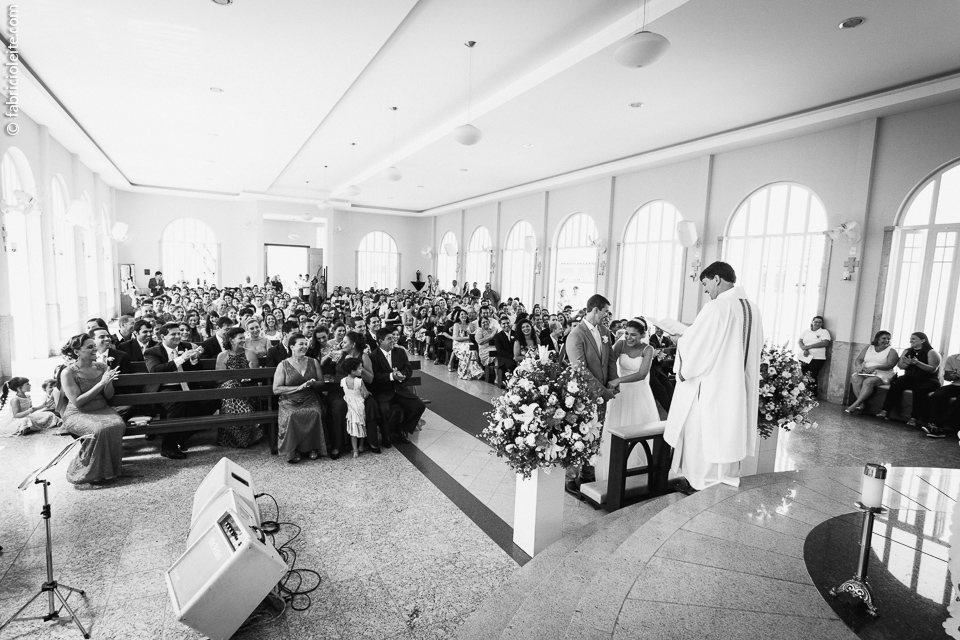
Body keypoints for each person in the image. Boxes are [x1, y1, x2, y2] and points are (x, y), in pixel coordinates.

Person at [663, 262, 764, 492]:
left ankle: (701, 481)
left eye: (706, 284)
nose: (706, 290)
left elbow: (698, 348)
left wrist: (680, 342)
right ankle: (725, 477)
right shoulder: (752, 308)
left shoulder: (717, 307)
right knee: (728, 430)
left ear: (717, 279)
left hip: (713, 386)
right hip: (738, 385)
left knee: (702, 432)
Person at [564, 294, 619, 493]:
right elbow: (580, 370)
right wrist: (602, 391)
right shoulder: (576, 335)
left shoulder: (604, 331)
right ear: (595, 310)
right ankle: (570, 477)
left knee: (596, 433)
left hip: (602, 393)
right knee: (580, 434)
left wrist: (614, 382)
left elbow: (610, 359)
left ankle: (588, 473)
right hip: (583, 395)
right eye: (605, 311)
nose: (607, 316)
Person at [596, 319, 660, 483]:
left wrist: (619, 380)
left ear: (642, 335)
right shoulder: (621, 344)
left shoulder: (648, 349)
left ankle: (638, 474)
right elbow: (609, 362)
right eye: (627, 333)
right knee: (617, 426)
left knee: (637, 428)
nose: (629, 337)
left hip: (639, 393)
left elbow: (642, 374)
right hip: (621, 394)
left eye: (633, 335)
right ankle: (614, 472)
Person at [58, 334, 127, 484]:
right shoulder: (68, 372)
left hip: (102, 409)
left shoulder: (103, 367)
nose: (95, 349)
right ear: (77, 352)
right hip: (79, 413)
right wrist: (101, 383)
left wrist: (108, 382)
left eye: (94, 346)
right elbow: (78, 402)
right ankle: (89, 471)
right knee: (99, 430)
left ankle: (108, 471)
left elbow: (109, 395)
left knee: (118, 425)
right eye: (90, 347)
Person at [144, 323, 217, 460]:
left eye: (179, 333)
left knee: (213, 399)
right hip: (164, 388)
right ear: (162, 336)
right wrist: (182, 358)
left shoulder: (187, 346)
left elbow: (197, 370)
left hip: (187, 386)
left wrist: (194, 361)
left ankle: (181, 437)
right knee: (178, 403)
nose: (178, 336)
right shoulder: (152, 352)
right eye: (174, 334)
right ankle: (168, 447)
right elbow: (155, 370)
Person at [273, 332, 327, 463]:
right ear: (292, 347)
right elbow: (276, 389)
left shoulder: (313, 362)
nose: (304, 347)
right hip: (289, 400)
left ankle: (313, 447)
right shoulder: (283, 365)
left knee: (315, 412)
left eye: (306, 344)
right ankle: (294, 449)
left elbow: (321, 383)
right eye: (301, 344)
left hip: (310, 398)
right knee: (292, 415)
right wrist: (298, 388)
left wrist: (314, 384)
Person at [367, 327, 425, 445]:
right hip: (383, 392)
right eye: (389, 339)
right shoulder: (373, 356)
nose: (393, 340)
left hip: (400, 390)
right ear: (380, 341)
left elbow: (407, 368)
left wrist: (402, 375)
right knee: (384, 410)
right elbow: (375, 377)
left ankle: (403, 429)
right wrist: (392, 376)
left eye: (393, 338)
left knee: (419, 406)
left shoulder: (400, 352)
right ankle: (385, 436)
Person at [878, 332, 941, 427]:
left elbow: (933, 369)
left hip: (929, 379)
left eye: (914, 339)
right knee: (896, 383)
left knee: (920, 389)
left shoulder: (931, 352)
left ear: (923, 340)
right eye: (911, 339)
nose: (911, 341)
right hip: (911, 377)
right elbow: (900, 366)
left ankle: (914, 417)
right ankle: (885, 410)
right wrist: (908, 363)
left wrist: (917, 363)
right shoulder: (907, 351)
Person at [215, 327, 263, 449]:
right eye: (240, 338)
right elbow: (220, 379)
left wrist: (241, 379)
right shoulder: (222, 355)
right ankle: (248, 415)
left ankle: (241, 437)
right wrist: (236, 380)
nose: (243, 340)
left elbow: (254, 375)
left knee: (232, 391)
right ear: (231, 340)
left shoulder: (249, 353)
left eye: (244, 337)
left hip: (247, 389)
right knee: (231, 385)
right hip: (228, 390)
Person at [844, 331, 898, 414]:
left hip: (883, 373)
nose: (886, 341)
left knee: (868, 382)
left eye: (888, 339)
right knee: (855, 377)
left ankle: (855, 405)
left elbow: (891, 365)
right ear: (877, 339)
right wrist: (859, 366)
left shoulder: (892, 351)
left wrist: (875, 367)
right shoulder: (868, 348)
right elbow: (859, 359)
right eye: (884, 338)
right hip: (867, 371)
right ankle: (861, 404)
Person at [923, 351, 960, 438]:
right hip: (956, 385)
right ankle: (935, 426)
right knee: (936, 395)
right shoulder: (952, 358)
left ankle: (937, 426)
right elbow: (946, 377)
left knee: (958, 402)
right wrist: (951, 376)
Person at [340, 356, 370, 458]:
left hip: (350, 405)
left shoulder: (343, 381)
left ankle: (355, 450)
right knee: (361, 425)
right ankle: (361, 446)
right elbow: (365, 394)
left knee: (353, 427)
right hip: (359, 405)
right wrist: (367, 393)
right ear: (353, 371)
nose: (361, 370)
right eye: (360, 368)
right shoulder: (359, 381)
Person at [797, 316, 831, 398]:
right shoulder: (806, 331)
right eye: (816, 322)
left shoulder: (824, 332)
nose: (817, 323)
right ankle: (804, 393)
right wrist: (804, 348)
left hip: (817, 358)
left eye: (819, 322)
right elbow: (800, 341)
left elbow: (825, 343)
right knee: (805, 374)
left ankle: (812, 394)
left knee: (811, 375)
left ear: (822, 323)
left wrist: (808, 347)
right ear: (812, 322)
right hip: (805, 357)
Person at [451, 309, 483, 378]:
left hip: (468, 342)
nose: (464, 315)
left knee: (472, 349)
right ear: (459, 316)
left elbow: (473, 335)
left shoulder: (470, 324)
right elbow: (456, 338)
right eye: (462, 314)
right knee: (468, 349)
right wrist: (468, 338)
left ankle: (471, 371)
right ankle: (464, 372)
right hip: (458, 343)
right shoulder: (456, 325)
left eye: (465, 314)